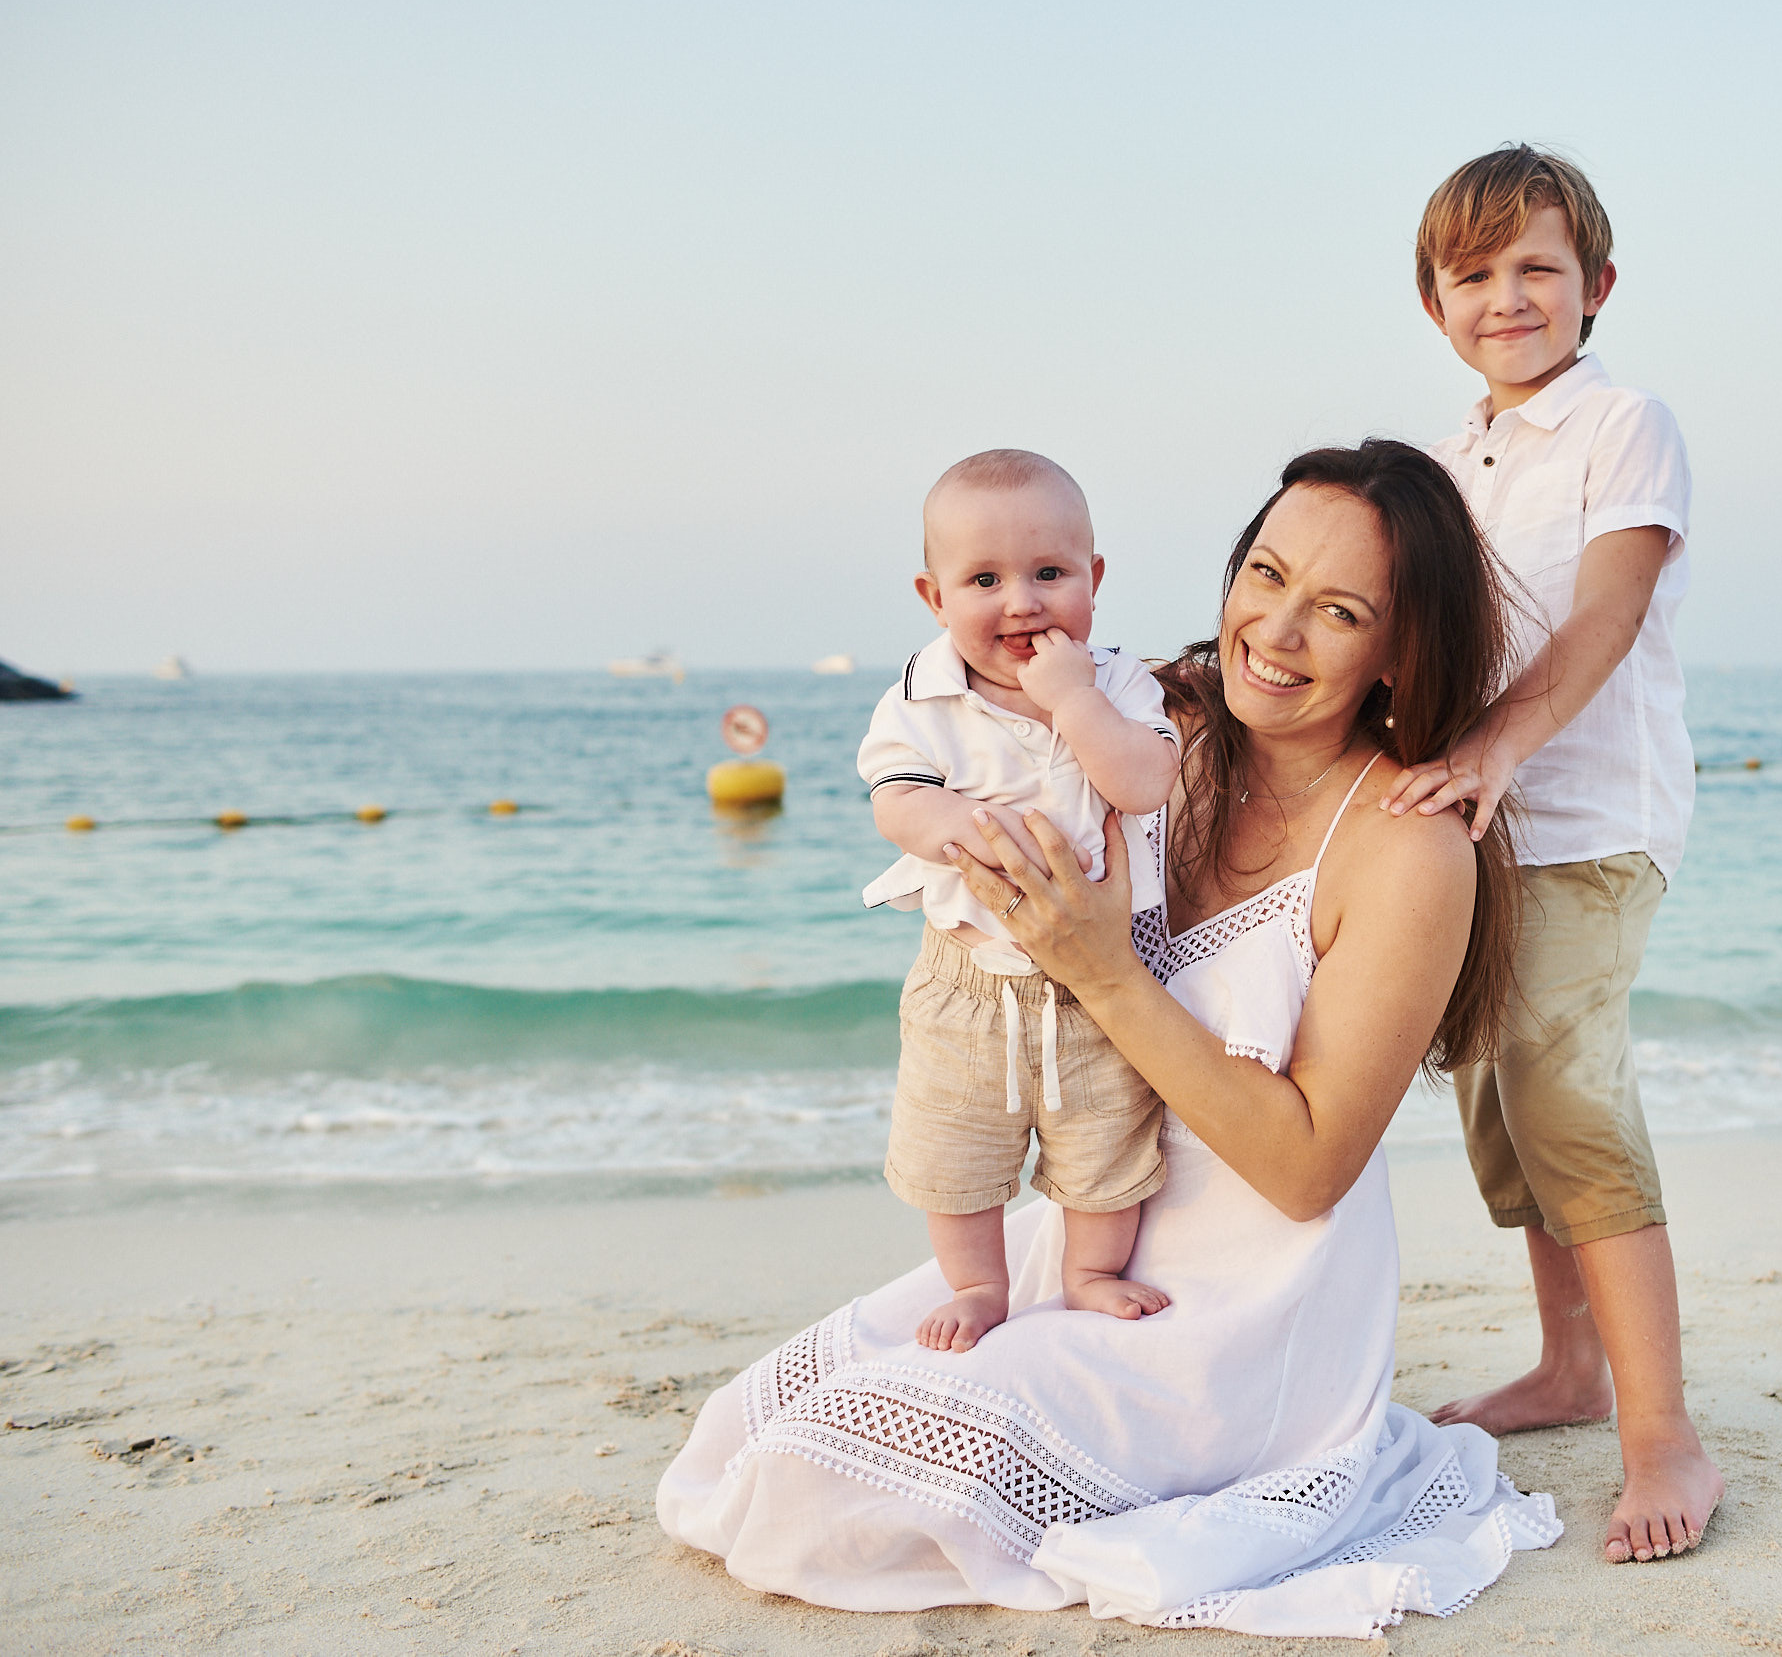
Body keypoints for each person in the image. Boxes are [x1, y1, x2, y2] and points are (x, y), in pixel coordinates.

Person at [657, 441, 1559, 1638]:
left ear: (1400, 648)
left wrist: (1100, 966)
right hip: (1087, 1226)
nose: (1277, 631)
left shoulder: (1407, 845)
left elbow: (1307, 1170)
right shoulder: (1161, 728)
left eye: (1339, 612)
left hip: (1242, 1313)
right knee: (755, 1431)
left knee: (822, 1484)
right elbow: (962, 731)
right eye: (1265, 574)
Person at [1384, 144, 1726, 1563]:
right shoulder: (1439, 466)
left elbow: (1605, 614)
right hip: (1475, 830)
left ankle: (1663, 1435)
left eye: (1538, 268)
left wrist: (1499, 746)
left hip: (1591, 825)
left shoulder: (1622, 425)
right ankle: (1568, 1364)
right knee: (1500, 1105)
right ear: (1435, 304)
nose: (1507, 297)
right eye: (1474, 275)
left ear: (1597, 286)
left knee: (1565, 1098)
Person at [858, 449, 1181, 1351]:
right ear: (934, 597)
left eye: (1049, 573)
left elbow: (1147, 780)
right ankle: (978, 1283)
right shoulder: (922, 697)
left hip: (1100, 981)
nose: (1022, 602)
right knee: (955, 1148)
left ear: (1094, 579)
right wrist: (960, 822)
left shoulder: (1116, 682)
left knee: (1108, 1143)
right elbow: (895, 801)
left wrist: (1073, 701)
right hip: (970, 977)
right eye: (984, 580)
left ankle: (1090, 1271)